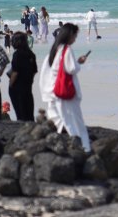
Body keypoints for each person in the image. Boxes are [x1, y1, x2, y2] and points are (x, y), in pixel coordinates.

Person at [39, 23, 92, 152]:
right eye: (75, 35)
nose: (75, 38)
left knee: (63, 118)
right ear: (69, 35)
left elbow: (59, 68)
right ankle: (83, 147)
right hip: (66, 90)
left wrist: (77, 62)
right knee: (75, 120)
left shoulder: (56, 49)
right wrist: (79, 64)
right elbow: (71, 68)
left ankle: (66, 143)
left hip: (55, 90)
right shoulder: (67, 49)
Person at [8, 32, 37, 122]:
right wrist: (29, 80)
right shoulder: (31, 54)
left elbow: (15, 72)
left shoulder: (17, 55)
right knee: (28, 112)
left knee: (20, 113)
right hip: (27, 86)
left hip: (17, 87)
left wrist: (11, 84)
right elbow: (34, 71)